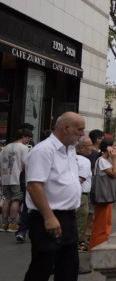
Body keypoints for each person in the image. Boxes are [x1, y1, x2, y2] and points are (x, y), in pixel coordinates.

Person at [24, 112, 85, 281]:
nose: (83, 134)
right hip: (48, 217)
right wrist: (49, 216)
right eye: (80, 129)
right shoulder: (43, 150)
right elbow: (34, 185)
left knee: (69, 269)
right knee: (42, 267)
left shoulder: (70, 149)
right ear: (66, 128)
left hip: (68, 217)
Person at [89, 138, 116, 251]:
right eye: (114, 146)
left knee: (106, 223)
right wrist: (114, 159)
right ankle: (97, 248)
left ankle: (99, 246)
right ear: (108, 148)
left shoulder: (104, 160)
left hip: (106, 196)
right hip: (103, 196)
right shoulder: (102, 161)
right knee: (101, 225)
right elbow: (114, 174)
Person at [1, 128, 32, 232]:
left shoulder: (6, 147)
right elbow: (25, 163)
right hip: (17, 177)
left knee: (7, 198)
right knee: (16, 200)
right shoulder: (24, 148)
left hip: (5, 176)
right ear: (23, 137)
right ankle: (13, 223)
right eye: (28, 138)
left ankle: (4, 223)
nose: (28, 141)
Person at [74, 137, 93, 257]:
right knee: (81, 219)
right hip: (81, 195)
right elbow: (79, 180)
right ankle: (78, 243)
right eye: (89, 145)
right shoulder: (85, 161)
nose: (91, 148)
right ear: (81, 148)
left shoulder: (71, 158)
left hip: (73, 194)